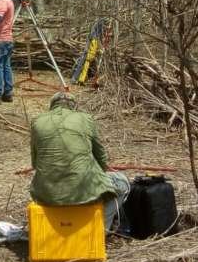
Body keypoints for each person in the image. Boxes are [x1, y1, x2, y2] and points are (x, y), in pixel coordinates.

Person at [30, 92, 130, 232]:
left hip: (46, 194)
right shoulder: (86, 119)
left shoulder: (37, 121)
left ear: (51, 106)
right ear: (74, 107)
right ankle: (100, 230)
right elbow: (101, 157)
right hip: (83, 192)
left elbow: (35, 163)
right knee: (123, 183)